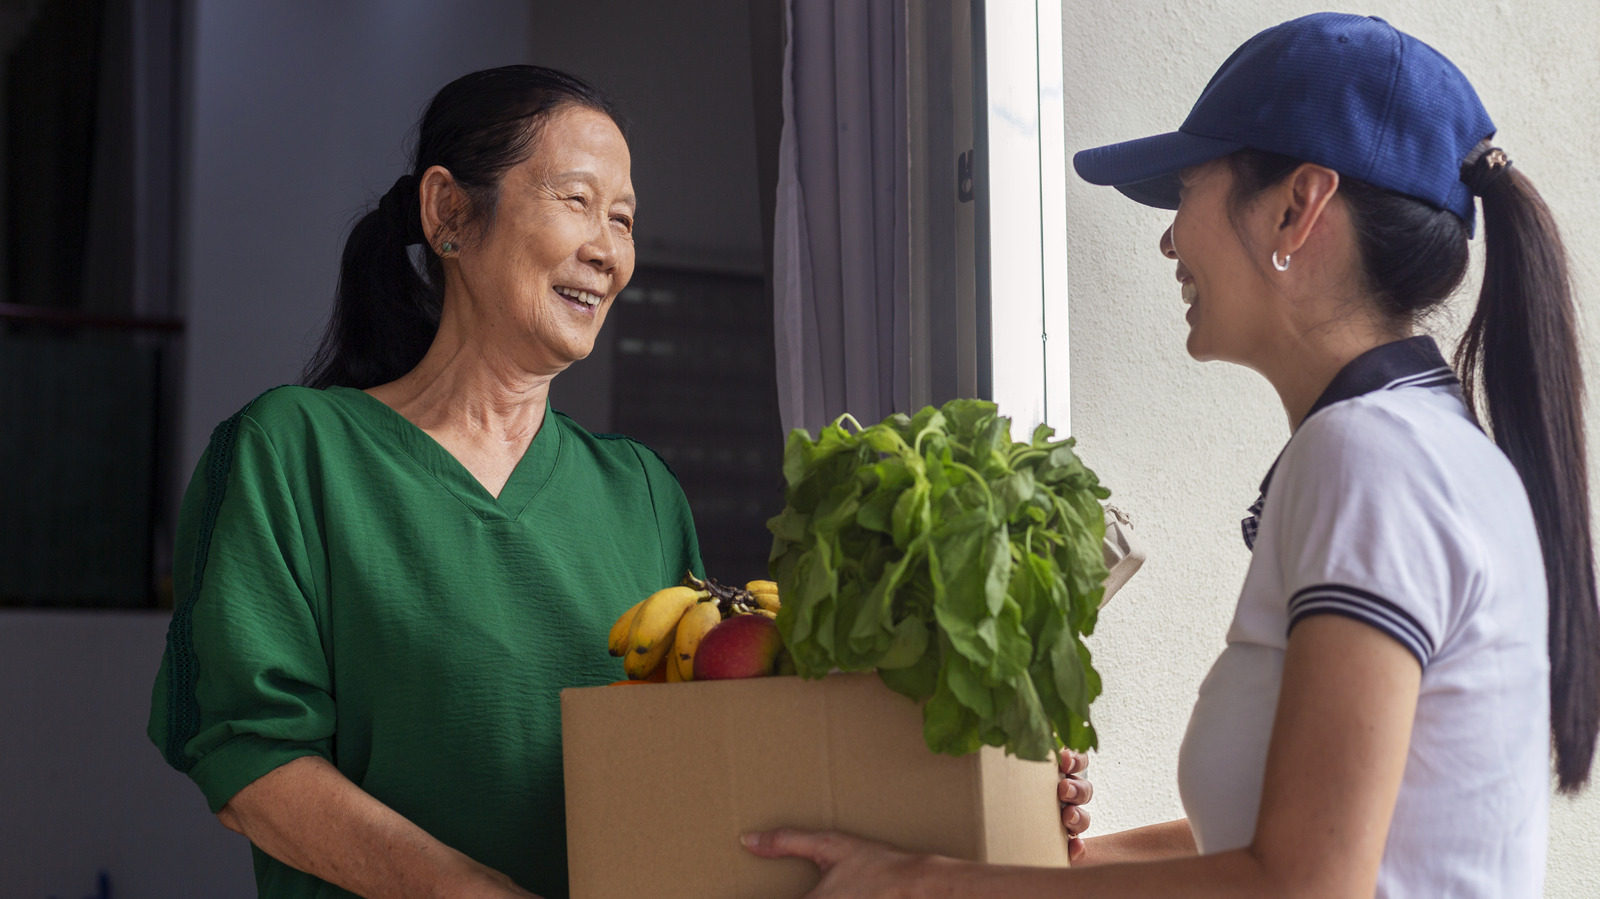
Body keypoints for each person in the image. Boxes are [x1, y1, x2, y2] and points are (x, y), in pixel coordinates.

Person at [744, 13, 1600, 897]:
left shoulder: (1372, 458)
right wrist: (1002, 854)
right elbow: (1274, 833)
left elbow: (1303, 881)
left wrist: (928, 884)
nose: (1168, 240)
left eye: (1189, 188)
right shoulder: (1420, 446)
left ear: (1297, 207)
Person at [148, 66, 702, 899]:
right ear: (449, 213)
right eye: (577, 201)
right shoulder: (293, 453)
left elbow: (691, 761)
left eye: (622, 219)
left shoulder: (643, 492)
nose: (607, 248)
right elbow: (245, 750)